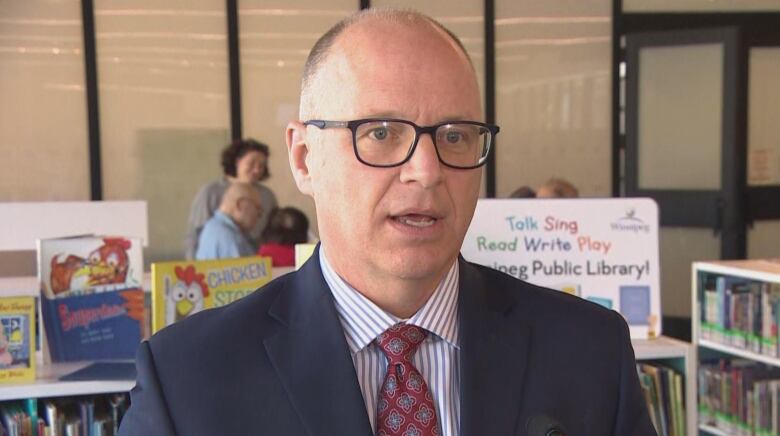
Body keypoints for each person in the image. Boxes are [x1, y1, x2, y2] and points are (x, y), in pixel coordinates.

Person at [119, 9, 655, 436]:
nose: (426, 172)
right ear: (304, 157)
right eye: (380, 133)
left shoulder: (589, 350)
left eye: (455, 136)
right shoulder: (188, 377)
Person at [184, 138, 278, 259]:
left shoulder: (267, 195)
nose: (257, 169)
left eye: (261, 166)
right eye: (251, 163)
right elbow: (194, 234)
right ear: (237, 162)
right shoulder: (211, 192)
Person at [195, 182, 262, 260]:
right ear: (240, 205)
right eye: (258, 209)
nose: (259, 215)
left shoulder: (212, 227)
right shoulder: (230, 238)